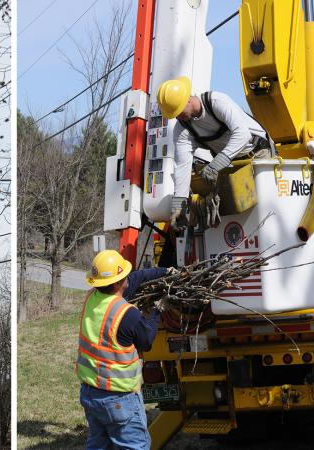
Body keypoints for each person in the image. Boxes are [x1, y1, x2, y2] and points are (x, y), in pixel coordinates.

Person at [77, 249, 174, 450]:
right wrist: (157, 310)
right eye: (123, 276)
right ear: (117, 283)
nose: (127, 278)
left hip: (90, 393)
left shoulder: (92, 297)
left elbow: (137, 277)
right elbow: (146, 339)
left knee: (99, 444)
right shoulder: (126, 314)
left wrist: (166, 271)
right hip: (118, 399)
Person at [156, 76, 274, 227]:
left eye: (179, 111)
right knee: (238, 215)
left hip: (258, 154)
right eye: (174, 114)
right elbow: (182, 167)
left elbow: (243, 134)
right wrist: (179, 205)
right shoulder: (182, 129)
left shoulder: (216, 102)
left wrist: (215, 165)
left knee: (264, 210)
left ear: (188, 99)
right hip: (233, 163)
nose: (178, 117)